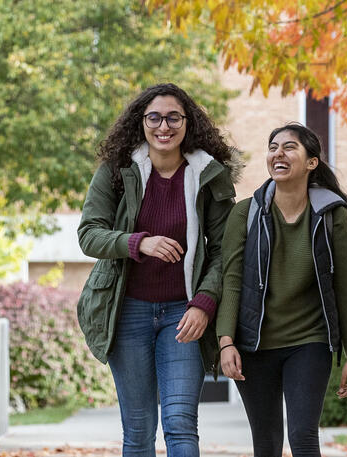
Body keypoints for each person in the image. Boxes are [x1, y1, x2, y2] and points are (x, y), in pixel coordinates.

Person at [76, 82, 238, 457]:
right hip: (127, 309)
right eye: (154, 117)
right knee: (138, 429)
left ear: (188, 123)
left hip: (183, 313)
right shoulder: (117, 171)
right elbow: (89, 234)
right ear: (141, 122)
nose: (163, 126)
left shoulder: (208, 175)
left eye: (173, 118)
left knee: (180, 423)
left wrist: (204, 302)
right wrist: (137, 243)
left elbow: (226, 252)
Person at [216, 123, 347, 457]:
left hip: (309, 342)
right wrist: (226, 341)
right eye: (273, 147)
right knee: (267, 442)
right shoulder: (246, 213)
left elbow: (345, 288)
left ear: (311, 162)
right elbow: (231, 281)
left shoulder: (332, 215)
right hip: (254, 344)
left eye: (289, 147)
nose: (278, 154)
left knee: (303, 437)